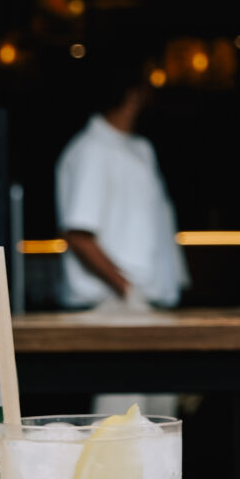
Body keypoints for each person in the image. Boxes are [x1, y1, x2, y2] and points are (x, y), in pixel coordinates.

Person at [55, 61, 189, 311]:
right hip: (106, 306)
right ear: (132, 92)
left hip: (146, 302)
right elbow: (79, 235)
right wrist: (127, 290)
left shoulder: (141, 150)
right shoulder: (91, 150)